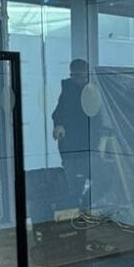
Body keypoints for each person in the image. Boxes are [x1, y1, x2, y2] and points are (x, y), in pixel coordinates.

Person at [51, 58, 91, 209]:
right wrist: (58, 125)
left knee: (102, 179)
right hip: (71, 147)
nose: (79, 80)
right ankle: (77, 210)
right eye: (75, 76)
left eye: (82, 76)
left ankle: (84, 204)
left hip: (89, 145)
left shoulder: (94, 89)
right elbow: (58, 113)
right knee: (74, 187)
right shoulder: (68, 90)